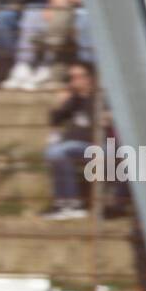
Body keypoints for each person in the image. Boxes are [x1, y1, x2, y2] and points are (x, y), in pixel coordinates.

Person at [43, 60, 96, 220]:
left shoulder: (97, 99)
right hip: (73, 146)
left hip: (97, 146)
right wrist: (60, 104)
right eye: (71, 78)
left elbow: (95, 127)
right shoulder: (74, 99)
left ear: (89, 78)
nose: (74, 81)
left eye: (78, 77)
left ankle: (72, 204)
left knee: (58, 151)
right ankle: (64, 204)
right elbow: (55, 120)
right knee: (56, 150)